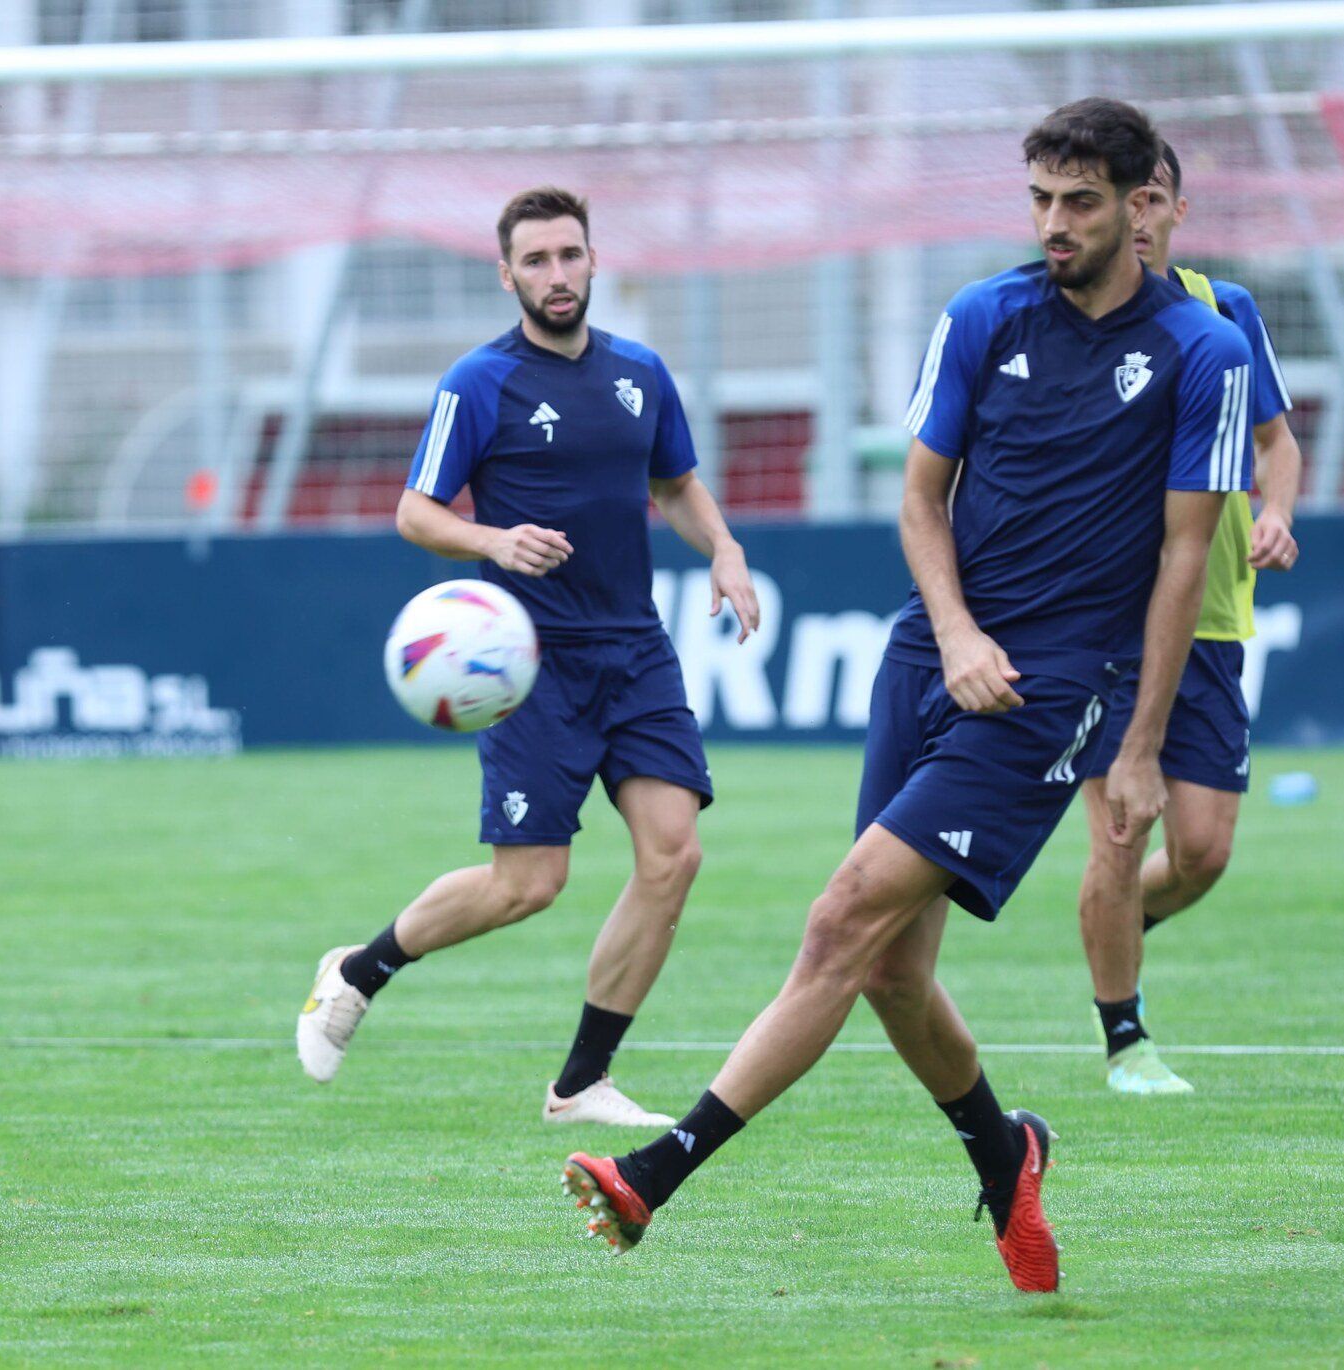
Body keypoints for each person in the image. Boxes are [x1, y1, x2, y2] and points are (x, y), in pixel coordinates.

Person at [555, 100, 1253, 1293]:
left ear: (1142, 206)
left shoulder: (1204, 351)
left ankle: (654, 1172)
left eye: (1078, 202)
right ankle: (1005, 1148)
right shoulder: (982, 315)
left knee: (838, 918)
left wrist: (1136, 748)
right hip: (927, 659)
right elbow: (921, 499)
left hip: (1045, 692)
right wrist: (953, 630)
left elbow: (1184, 559)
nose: (1052, 224)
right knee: (884, 965)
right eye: (1037, 199)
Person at [295, 186, 760, 1127]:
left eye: (570, 256)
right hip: (529, 666)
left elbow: (673, 481)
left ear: (594, 262)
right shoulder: (480, 382)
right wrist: (496, 541)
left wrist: (722, 546)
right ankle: (358, 969)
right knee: (529, 885)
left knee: (674, 855)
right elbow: (416, 512)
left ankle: (581, 1081)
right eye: (537, 261)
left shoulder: (641, 373)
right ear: (507, 275)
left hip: (635, 650)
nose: (558, 275)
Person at [1076, 141, 1302, 1094]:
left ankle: (1109, 924)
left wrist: (1279, 508)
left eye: (1153, 198)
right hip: (1102, 629)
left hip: (1210, 620)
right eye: (1121, 200)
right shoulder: (1070, 320)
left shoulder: (1227, 312)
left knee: (1202, 851)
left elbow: (1275, 441)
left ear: (1175, 210)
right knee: (1121, 834)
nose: (1137, 217)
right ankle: (1124, 1035)